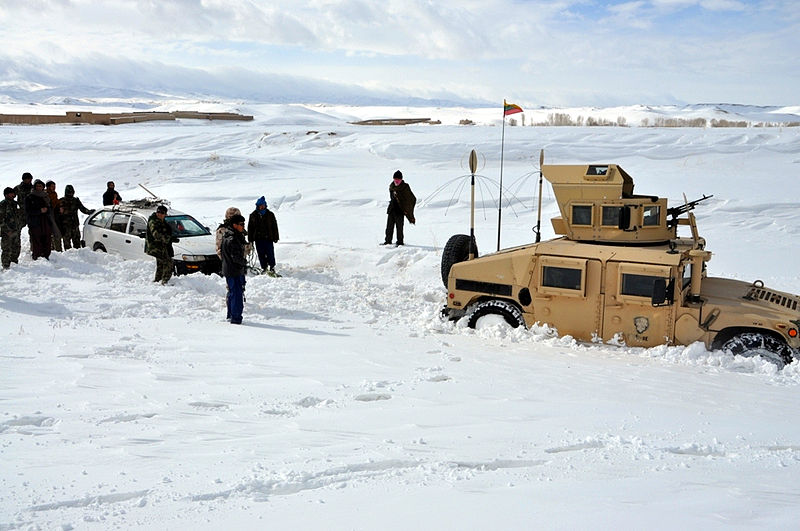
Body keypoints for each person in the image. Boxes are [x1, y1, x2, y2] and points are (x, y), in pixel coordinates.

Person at [220, 214, 248, 324]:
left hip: (231, 269)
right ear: (235, 225)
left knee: (232, 293)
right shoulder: (232, 238)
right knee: (236, 295)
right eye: (241, 224)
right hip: (234, 270)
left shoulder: (230, 235)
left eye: (243, 224)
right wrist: (244, 263)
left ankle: (231, 315)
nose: (243, 226)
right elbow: (235, 257)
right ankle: (236, 318)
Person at [145, 205, 178, 284]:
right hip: (156, 246)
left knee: (161, 263)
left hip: (161, 246)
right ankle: (165, 281)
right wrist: (168, 238)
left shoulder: (161, 221)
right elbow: (156, 234)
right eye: (158, 212)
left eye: (162, 213)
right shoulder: (154, 222)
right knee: (168, 262)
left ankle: (158, 279)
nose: (159, 214)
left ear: (165, 214)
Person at [247, 196, 280, 276]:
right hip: (258, 239)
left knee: (270, 253)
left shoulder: (270, 214)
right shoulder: (253, 215)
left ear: (265, 205)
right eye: (260, 205)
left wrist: (276, 237)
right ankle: (264, 267)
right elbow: (250, 228)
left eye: (263, 205)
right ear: (257, 206)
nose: (262, 207)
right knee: (261, 254)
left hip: (268, 238)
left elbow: (274, 226)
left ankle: (272, 267)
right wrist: (250, 239)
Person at [382, 170, 416, 246]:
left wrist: (406, 207)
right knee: (389, 227)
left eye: (398, 179)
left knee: (399, 228)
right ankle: (388, 241)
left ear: (401, 179)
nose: (396, 181)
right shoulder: (391, 186)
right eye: (395, 179)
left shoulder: (405, 187)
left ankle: (400, 242)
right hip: (391, 209)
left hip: (400, 211)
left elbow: (412, 199)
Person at [59, 185, 95, 250]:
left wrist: (89, 212)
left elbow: (83, 209)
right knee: (67, 246)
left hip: (75, 225)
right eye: (69, 192)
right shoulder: (61, 201)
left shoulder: (76, 200)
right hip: (65, 226)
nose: (71, 193)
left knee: (77, 245)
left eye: (72, 192)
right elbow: (57, 214)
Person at [25, 179, 53, 260]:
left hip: (45, 221)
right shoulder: (29, 197)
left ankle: (46, 255)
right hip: (35, 222)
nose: (39, 187)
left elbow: (50, 208)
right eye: (37, 186)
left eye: (40, 186)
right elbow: (28, 211)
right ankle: (37, 256)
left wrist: (47, 210)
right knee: (37, 240)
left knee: (47, 239)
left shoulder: (46, 196)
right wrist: (39, 211)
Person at [0, 187, 24, 269]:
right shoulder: (2, 204)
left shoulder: (15, 204)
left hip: (16, 231)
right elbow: (0, 220)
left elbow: (19, 216)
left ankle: (14, 265)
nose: (13, 195)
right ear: (6, 194)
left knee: (16, 248)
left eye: (13, 193)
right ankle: (6, 266)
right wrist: (6, 230)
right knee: (6, 250)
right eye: (11, 193)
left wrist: (19, 227)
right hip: (7, 232)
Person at [45, 180, 63, 252]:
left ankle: (58, 250)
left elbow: (56, 203)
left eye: (54, 186)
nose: (54, 188)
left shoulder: (54, 194)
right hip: (48, 216)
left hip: (55, 216)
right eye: (52, 186)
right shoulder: (45, 194)